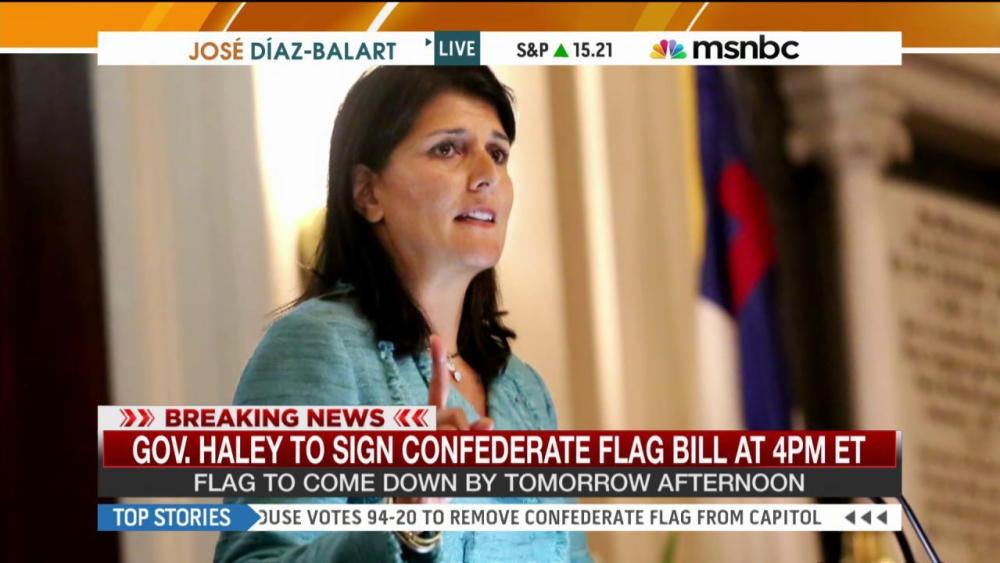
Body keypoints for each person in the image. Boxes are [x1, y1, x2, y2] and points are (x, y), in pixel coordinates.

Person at [214, 66, 593, 562]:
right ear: (368, 193)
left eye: (498, 153)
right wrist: (405, 520)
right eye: (448, 149)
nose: (487, 174)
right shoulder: (315, 347)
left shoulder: (524, 389)